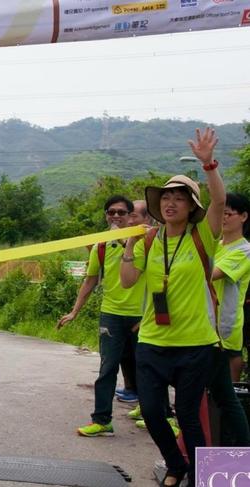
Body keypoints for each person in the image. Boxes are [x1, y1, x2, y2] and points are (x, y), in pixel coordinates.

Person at [120, 127, 224, 487]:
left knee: (189, 417)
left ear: (191, 206)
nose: (171, 202)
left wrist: (208, 165)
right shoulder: (150, 239)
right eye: (166, 197)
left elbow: (220, 203)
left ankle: (199, 476)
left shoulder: (203, 236)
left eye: (180, 198)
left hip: (195, 344)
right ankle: (175, 464)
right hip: (152, 341)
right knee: (150, 411)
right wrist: (130, 249)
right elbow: (129, 281)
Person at [58, 195, 146, 437]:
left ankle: (158, 414)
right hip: (111, 315)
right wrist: (74, 312)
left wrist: (149, 314)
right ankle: (102, 419)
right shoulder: (102, 246)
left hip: (142, 316)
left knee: (149, 369)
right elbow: (90, 280)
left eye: (121, 212)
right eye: (111, 212)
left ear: (130, 216)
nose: (116, 216)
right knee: (107, 369)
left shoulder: (146, 243)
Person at [115, 200, 151, 404]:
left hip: (145, 314)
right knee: (127, 357)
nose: (127, 221)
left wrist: (147, 317)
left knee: (147, 365)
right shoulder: (130, 243)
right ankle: (138, 396)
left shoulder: (153, 244)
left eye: (133, 216)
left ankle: (163, 413)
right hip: (120, 312)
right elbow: (127, 281)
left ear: (147, 219)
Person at [212, 193, 250, 382]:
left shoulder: (244, 250)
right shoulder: (216, 245)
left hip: (227, 320)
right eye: (220, 214)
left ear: (243, 216)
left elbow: (210, 274)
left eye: (228, 214)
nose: (223, 218)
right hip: (206, 318)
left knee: (229, 360)